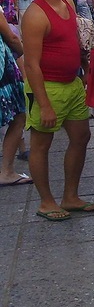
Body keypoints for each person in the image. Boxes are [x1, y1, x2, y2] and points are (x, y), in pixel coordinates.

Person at [22, 0, 94, 221]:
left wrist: (85, 68)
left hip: (72, 83)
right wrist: (44, 104)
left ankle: (71, 196)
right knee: (41, 144)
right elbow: (31, 64)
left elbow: (74, 41)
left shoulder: (67, 2)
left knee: (81, 137)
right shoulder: (35, 15)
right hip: (48, 86)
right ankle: (46, 202)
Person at [0, 13, 31, 187]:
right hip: (2, 73)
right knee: (18, 116)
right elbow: (11, 38)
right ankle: (7, 171)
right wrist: (24, 52)